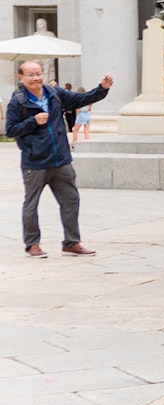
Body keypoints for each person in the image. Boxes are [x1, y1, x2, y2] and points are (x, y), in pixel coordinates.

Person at [6, 61, 112, 258]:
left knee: (71, 200)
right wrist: (33, 121)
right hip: (35, 161)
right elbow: (11, 129)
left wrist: (102, 89)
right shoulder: (18, 101)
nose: (36, 78)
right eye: (30, 75)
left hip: (61, 160)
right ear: (21, 78)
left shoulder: (54, 93)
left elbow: (82, 98)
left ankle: (71, 242)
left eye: (38, 73)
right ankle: (32, 244)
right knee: (31, 203)